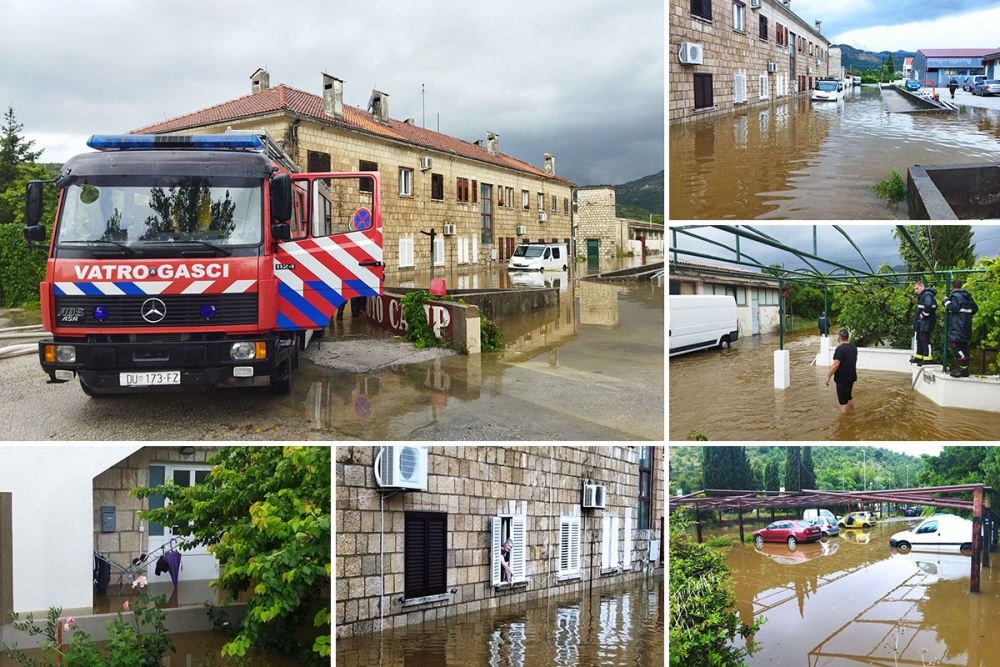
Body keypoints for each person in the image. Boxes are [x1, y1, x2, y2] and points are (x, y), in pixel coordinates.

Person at [944, 279, 978, 377]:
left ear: (952, 287)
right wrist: (966, 316)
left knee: (956, 347)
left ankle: (963, 369)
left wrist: (946, 302)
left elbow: (954, 308)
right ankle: (965, 369)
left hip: (957, 328)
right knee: (964, 347)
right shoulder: (967, 296)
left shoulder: (955, 296)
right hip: (966, 327)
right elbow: (975, 308)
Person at [825, 328, 858, 415]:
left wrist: (828, 376)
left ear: (839, 337)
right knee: (849, 396)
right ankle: (852, 413)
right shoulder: (853, 347)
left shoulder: (840, 349)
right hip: (851, 376)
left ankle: (845, 421)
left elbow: (836, 364)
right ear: (848, 337)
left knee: (843, 402)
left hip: (843, 379)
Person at [910, 280, 937, 365]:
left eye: (917, 288)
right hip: (921, 323)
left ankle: (927, 359)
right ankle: (919, 357)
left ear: (922, 286)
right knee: (919, 339)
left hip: (926, 322)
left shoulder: (927, 294)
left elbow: (929, 305)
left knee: (925, 340)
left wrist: (924, 315)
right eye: (915, 289)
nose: (916, 290)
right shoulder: (923, 295)